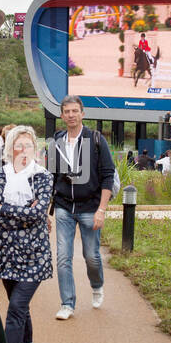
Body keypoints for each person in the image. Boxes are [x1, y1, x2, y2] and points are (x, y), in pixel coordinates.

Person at [0, 127, 52, 343]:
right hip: (5, 252)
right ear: (10, 149)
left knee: (16, 307)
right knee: (18, 304)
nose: (24, 151)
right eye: (19, 146)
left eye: (28, 146)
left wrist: (5, 208)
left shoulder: (42, 176)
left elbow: (37, 213)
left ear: (35, 149)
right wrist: (21, 211)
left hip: (34, 254)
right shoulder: (0, 175)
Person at [46, 96, 114, 319]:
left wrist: (101, 210)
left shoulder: (95, 139)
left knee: (91, 256)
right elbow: (52, 176)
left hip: (90, 207)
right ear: (62, 115)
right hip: (64, 207)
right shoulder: (57, 140)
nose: (71, 115)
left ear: (82, 113)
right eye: (67, 111)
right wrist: (46, 209)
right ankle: (67, 304)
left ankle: (97, 285)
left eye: (75, 111)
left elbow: (107, 176)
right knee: (63, 257)